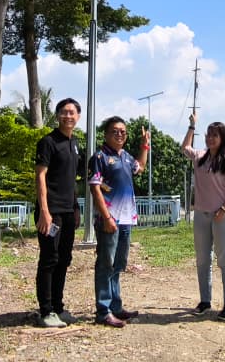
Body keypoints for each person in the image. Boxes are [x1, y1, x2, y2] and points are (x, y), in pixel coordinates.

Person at [181, 111, 225, 320]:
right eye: (208, 134)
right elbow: (185, 148)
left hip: (223, 216)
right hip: (201, 215)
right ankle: (205, 301)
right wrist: (192, 126)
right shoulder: (200, 157)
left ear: (222, 138)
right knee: (202, 260)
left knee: (224, 260)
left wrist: (224, 209)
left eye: (214, 135)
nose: (209, 138)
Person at [88, 116, 149, 328]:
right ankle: (103, 311)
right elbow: (95, 187)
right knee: (106, 264)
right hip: (109, 219)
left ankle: (115, 306)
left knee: (118, 264)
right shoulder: (100, 156)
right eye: (115, 131)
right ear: (105, 134)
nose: (120, 134)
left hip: (126, 219)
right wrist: (106, 218)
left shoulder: (125, 157)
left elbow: (140, 167)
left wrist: (145, 145)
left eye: (123, 131)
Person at [34, 98, 85, 328]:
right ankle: (45, 311)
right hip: (51, 212)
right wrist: (44, 211)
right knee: (49, 260)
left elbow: (71, 180)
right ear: (57, 116)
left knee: (64, 260)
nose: (68, 116)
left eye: (72, 113)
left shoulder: (74, 143)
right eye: (64, 112)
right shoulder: (48, 142)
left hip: (66, 212)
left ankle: (58, 307)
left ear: (78, 117)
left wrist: (75, 208)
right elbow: (40, 176)